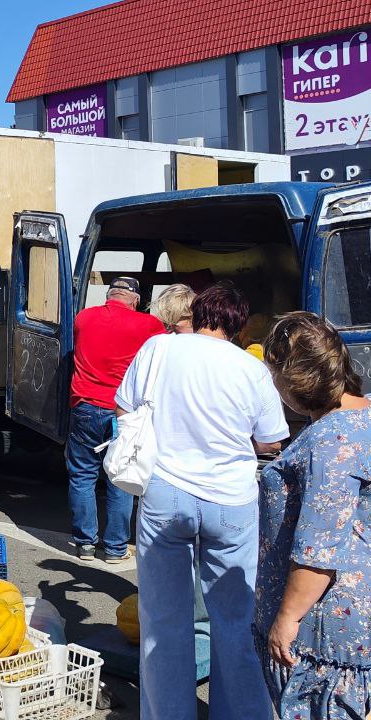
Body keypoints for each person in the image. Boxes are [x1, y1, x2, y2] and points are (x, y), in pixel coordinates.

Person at [118, 281, 288, 720]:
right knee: (236, 620)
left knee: (163, 620)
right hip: (231, 500)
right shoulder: (250, 369)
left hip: (165, 492)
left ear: (197, 314)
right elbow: (272, 441)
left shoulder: (158, 348)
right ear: (238, 324)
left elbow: (124, 409)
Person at [257, 312, 371, 718]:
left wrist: (286, 618)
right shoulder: (365, 414)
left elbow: (319, 549)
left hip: (325, 631)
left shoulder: (329, 441)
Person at [66, 276, 165, 562]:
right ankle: (115, 548)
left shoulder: (84, 317)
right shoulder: (149, 326)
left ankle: (85, 544)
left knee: (82, 475)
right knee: (120, 477)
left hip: (84, 407)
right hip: (122, 412)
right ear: (134, 299)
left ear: (109, 295)